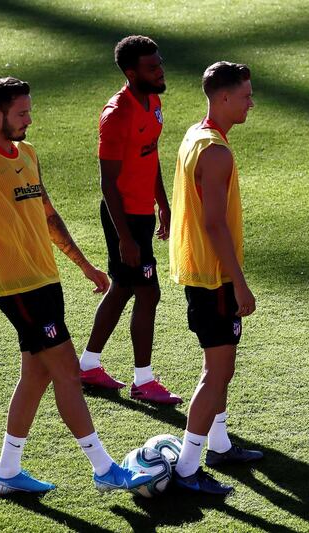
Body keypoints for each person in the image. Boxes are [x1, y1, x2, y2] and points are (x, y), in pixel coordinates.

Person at [0, 77, 152, 494]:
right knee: (66, 370)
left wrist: (84, 265)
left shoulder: (26, 152)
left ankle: (7, 472)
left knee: (37, 375)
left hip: (46, 279)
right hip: (16, 286)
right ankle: (103, 468)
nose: (30, 119)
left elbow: (47, 214)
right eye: (22, 113)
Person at [168, 61, 263, 495]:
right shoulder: (217, 151)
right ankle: (188, 468)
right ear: (223, 97)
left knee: (221, 368)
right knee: (217, 371)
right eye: (245, 95)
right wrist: (238, 282)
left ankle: (220, 444)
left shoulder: (195, 135)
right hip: (214, 279)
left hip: (201, 274)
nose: (250, 102)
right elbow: (213, 224)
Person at [78, 35, 181, 405]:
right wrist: (125, 237)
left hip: (142, 212)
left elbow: (149, 156)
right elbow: (108, 181)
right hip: (123, 217)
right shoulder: (117, 114)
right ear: (130, 72)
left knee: (122, 288)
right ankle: (143, 380)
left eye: (160, 64)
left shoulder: (152, 101)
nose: (160, 72)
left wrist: (163, 205)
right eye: (152, 68)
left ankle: (88, 365)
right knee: (148, 292)